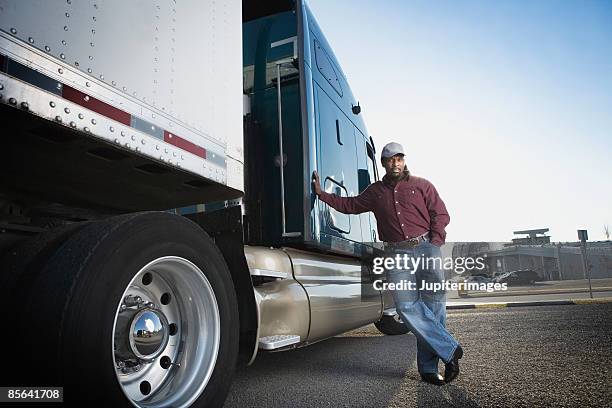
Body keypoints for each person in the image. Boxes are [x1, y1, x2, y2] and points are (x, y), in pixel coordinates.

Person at [311, 142, 463, 385]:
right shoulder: (375, 192)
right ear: (383, 163)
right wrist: (322, 195)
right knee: (406, 307)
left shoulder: (422, 185)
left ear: (404, 160)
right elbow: (349, 205)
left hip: (426, 248)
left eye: (399, 158)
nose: (396, 163)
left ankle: (427, 368)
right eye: (391, 159)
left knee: (434, 308)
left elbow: (441, 214)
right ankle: (450, 350)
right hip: (397, 254)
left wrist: (435, 241)